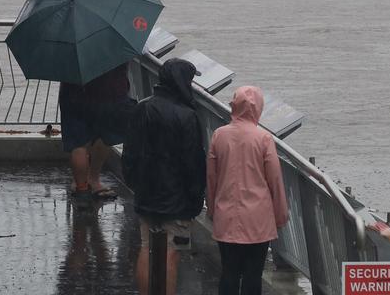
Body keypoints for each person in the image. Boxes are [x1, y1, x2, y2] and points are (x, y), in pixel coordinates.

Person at [123, 59, 206, 295]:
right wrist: (195, 198)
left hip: (146, 193)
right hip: (176, 199)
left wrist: (134, 182)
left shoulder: (142, 108)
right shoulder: (187, 116)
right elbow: (192, 163)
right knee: (171, 253)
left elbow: (130, 152)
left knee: (146, 247)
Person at [207, 86, 289, 295]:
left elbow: (211, 178)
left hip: (226, 216)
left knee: (229, 272)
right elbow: (275, 180)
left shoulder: (219, 135)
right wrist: (280, 215)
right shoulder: (263, 138)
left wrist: (212, 210)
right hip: (258, 219)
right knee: (254, 274)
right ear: (258, 108)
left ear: (234, 105)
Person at [58, 63, 134, 200]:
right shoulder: (115, 44)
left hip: (75, 94)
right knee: (105, 136)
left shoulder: (73, 46)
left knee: (78, 144)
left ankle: (81, 189)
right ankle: (94, 180)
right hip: (112, 94)